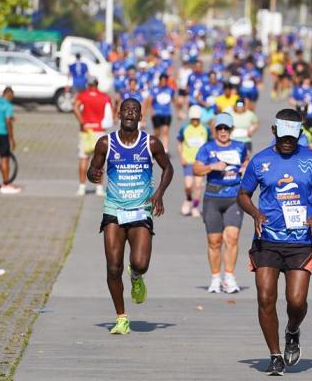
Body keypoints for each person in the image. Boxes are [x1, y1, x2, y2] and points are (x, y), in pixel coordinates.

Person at [238, 109, 312, 375]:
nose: (288, 141)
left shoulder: (311, 160)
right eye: (283, 136)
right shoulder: (261, 160)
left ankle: (292, 330)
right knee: (265, 297)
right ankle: (275, 354)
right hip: (266, 239)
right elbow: (243, 194)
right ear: (274, 132)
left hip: (301, 240)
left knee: (296, 301)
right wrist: (255, 212)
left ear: (300, 133)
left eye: (293, 136)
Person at [86, 98, 173, 334]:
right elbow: (93, 168)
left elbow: (168, 167)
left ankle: (136, 277)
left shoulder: (150, 143)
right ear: (119, 113)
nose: (130, 113)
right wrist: (92, 173)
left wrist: (159, 193)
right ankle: (121, 317)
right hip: (114, 210)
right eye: (126, 110)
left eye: (135, 111)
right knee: (113, 268)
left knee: (140, 264)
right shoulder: (106, 143)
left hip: (140, 210)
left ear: (140, 117)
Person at [193, 113, 249, 294]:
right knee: (214, 241)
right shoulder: (207, 148)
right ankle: (215, 278)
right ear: (215, 130)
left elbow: (247, 161)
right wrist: (212, 167)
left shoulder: (240, 146)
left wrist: (245, 167)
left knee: (232, 238)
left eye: (226, 128)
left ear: (231, 130)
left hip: (234, 197)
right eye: (220, 128)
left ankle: (230, 277)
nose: (223, 131)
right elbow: (196, 169)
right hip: (213, 197)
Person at [73, 77, 113, 196]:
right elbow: (110, 114)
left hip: (86, 130)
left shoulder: (82, 95)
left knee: (84, 158)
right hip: (99, 130)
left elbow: (75, 107)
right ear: (97, 84)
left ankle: (82, 187)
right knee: (99, 160)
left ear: (88, 84)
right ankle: (99, 188)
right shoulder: (104, 97)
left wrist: (82, 122)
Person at [177, 105, 210, 217]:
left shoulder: (205, 128)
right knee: (188, 185)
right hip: (188, 161)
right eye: (193, 119)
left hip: (201, 162)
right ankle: (188, 199)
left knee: (198, 185)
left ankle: (195, 206)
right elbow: (180, 142)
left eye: (197, 119)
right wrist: (182, 157)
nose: (195, 121)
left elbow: (210, 144)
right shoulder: (185, 128)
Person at [0, 87, 19, 193]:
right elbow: (7, 121)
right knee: (5, 159)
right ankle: (6, 184)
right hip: (2, 135)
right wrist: (12, 138)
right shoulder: (8, 105)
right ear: (9, 95)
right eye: (12, 96)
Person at [147, 74, 176, 154]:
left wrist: (178, 110)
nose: (163, 82)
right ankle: (154, 148)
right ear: (159, 81)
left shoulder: (170, 89)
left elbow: (173, 99)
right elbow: (149, 100)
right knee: (157, 133)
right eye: (162, 80)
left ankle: (165, 150)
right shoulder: (155, 89)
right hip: (157, 114)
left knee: (165, 131)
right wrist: (151, 110)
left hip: (167, 113)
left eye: (165, 81)